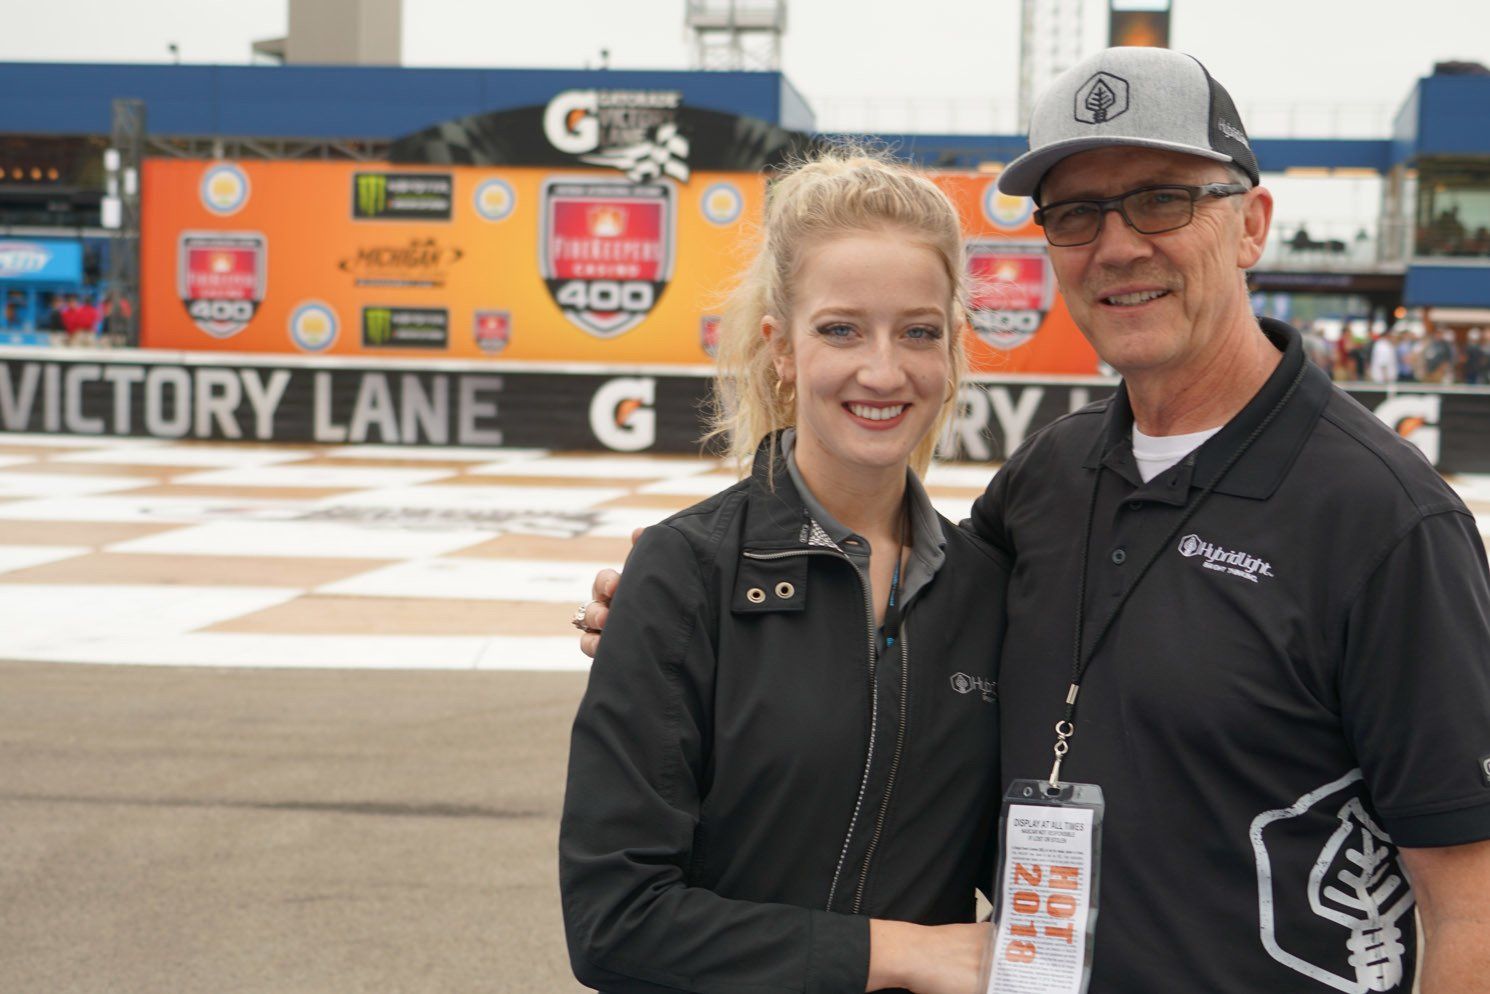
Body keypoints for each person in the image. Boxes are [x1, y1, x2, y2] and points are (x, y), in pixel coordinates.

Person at [581, 48, 1490, 993]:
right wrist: (679, 613)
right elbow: (899, 620)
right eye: (1077, 212)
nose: (1118, 245)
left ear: (1252, 224)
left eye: (1163, 200)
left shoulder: (1386, 523)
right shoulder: (1050, 477)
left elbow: (1472, 909)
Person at [560, 151, 1009, 994]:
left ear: (951, 348)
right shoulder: (683, 572)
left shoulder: (987, 589)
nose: (883, 370)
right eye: (841, 329)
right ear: (783, 349)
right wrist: (899, 952)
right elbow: (614, 923)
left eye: (918, 331)